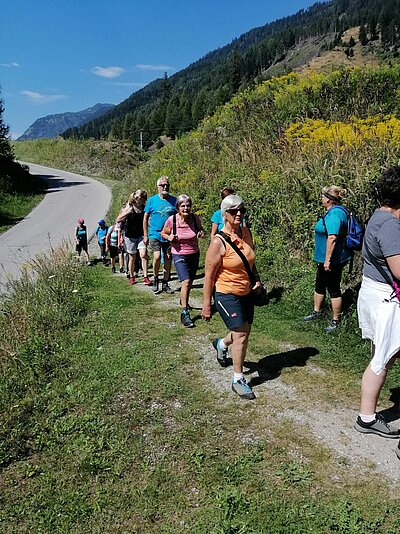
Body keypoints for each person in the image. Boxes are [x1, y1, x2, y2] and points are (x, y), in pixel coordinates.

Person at [354, 166, 400, 453]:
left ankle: (367, 414)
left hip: (372, 292)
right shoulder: (391, 226)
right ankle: (367, 417)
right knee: (382, 359)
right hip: (386, 300)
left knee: (381, 354)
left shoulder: (379, 215)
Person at [202, 194, 262, 400]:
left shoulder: (246, 232)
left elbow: (250, 261)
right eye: (233, 211)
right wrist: (206, 305)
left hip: (246, 292)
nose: (239, 214)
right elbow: (209, 275)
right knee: (242, 335)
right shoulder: (218, 242)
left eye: (242, 210)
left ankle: (221, 344)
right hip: (226, 294)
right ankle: (238, 379)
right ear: (224, 214)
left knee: (242, 333)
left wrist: (256, 279)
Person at [303, 185, 352, 333]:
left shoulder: (334, 215)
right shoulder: (338, 212)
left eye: (323, 196)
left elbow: (332, 237)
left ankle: (336, 320)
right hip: (327, 259)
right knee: (320, 284)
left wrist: (327, 261)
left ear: (329, 200)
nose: (321, 198)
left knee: (333, 288)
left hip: (332, 260)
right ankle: (317, 311)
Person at [161, 194, 204, 328]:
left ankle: (183, 300)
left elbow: (201, 230)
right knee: (185, 282)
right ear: (178, 207)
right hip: (179, 254)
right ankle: (185, 312)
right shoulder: (172, 220)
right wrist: (169, 238)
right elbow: (163, 233)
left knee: (190, 281)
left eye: (188, 205)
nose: (186, 208)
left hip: (194, 253)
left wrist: (201, 233)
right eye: (183, 206)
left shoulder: (195, 218)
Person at [143, 176, 177, 294]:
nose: (165, 187)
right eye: (162, 185)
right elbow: (145, 217)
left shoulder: (174, 200)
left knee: (168, 257)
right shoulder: (152, 200)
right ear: (158, 187)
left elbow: (179, 217)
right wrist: (145, 234)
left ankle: (165, 282)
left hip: (169, 234)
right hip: (155, 233)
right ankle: (156, 279)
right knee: (157, 256)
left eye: (167, 184)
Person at [117, 190, 150, 286]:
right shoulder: (130, 208)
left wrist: (147, 233)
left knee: (143, 255)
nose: (144, 200)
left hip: (141, 235)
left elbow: (147, 221)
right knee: (132, 257)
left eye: (145, 198)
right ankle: (131, 276)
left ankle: (145, 276)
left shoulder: (144, 209)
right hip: (130, 236)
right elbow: (118, 219)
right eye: (143, 198)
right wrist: (127, 213)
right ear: (137, 199)